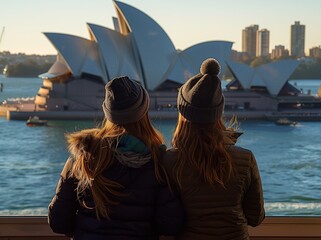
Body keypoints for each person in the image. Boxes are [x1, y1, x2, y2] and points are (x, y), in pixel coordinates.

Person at [48, 76, 184, 239]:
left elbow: (58, 222)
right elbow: (171, 225)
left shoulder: (83, 158)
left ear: (108, 112)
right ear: (143, 112)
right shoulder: (156, 162)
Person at [162, 58, 265, 240]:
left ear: (182, 115)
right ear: (218, 113)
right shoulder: (245, 158)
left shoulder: (168, 160)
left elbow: (165, 219)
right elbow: (255, 217)